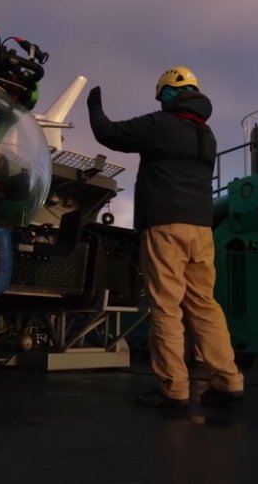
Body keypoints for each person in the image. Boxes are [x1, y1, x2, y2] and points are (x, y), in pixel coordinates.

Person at [87, 66, 244, 409]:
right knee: (204, 303)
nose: (161, 103)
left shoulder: (160, 125)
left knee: (166, 306)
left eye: (162, 96)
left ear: (169, 93)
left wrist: (94, 106)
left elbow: (109, 134)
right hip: (201, 229)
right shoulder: (208, 134)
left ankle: (173, 388)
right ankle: (228, 380)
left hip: (165, 227)